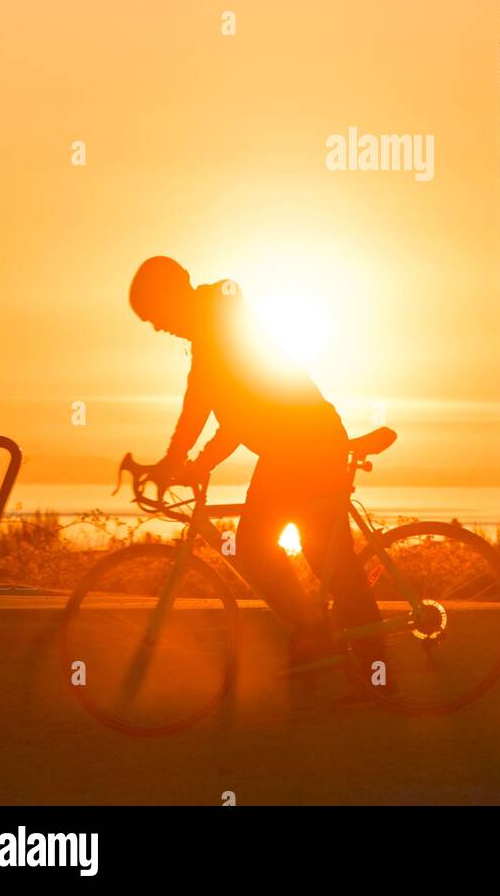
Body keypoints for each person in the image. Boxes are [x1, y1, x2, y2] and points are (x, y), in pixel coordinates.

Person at [128, 256, 383, 675]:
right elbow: (238, 418)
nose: (156, 326)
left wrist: (177, 459)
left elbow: (201, 400)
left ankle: (363, 665)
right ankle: (322, 641)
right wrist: (200, 462)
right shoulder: (212, 332)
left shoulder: (218, 322)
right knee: (312, 554)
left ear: (172, 297)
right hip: (292, 447)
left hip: (307, 446)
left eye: (154, 315)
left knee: (300, 553)